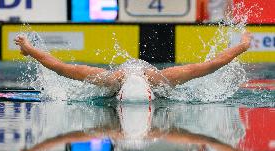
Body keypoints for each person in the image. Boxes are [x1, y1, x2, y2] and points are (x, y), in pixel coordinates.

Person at [14, 31, 252, 100]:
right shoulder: (108, 80)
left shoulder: (163, 80)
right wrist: (30, 49)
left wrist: (243, 45)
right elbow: (60, 67)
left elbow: (212, 65)